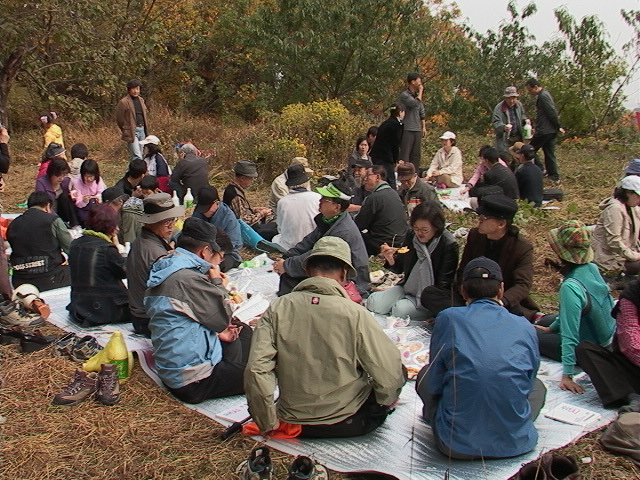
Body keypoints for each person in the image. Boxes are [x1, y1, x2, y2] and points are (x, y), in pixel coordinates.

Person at [245, 236, 405, 438]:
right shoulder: (354, 313)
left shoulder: (279, 307)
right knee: (398, 369)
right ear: (344, 273)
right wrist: (384, 401)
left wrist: (267, 421)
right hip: (348, 421)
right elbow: (387, 370)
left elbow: (257, 368)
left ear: (308, 270)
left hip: (293, 420)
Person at [417, 256, 545, 460]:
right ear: (501, 290)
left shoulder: (449, 318)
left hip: (456, 444)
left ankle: (441, 418)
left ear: (463, 291)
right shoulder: (524, 326)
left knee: (425, 375)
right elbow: (528, 379)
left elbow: (435, 379)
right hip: (516, 444)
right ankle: (513, 424)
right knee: (538, 387)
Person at [144, 217, 253, 403]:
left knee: (242, 331)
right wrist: (219, 284)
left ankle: (233, 366)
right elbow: (222, 316)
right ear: (205, 252)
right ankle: (233, 368)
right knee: (264, 373)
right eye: (219, 256)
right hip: (193, 381)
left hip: (174, 366)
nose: (220, 261)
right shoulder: (187, 279)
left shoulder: (169, 265)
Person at [421, 195, 539, 320]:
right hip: (471, 297)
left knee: (513, 312)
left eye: (485, 217)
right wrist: (466, 294)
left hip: (499, 301)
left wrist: (501, 301)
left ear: (501, 224)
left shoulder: (521, 247)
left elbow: (523, 285)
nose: (480, 220)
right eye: (480, 216)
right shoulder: (475, 235)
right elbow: (463, 270)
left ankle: (467, 319)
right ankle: (476, 318)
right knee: (430, 294)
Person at [535, 220, 615, 394]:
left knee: (532, 333)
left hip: (592, 349)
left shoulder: (570, 287)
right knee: (547, 320)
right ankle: (548, 328)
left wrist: (567, 376)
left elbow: (570, 335)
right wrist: (551, 329)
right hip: (608, 337)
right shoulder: (592, 268)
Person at [273, 179, 370, 296]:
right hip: (328, 267)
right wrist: (286, 257)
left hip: (349, 280)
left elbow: (317, 257)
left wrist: (287, 266)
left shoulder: (342, 231)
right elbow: (307, 243)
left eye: (325, 199)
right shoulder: (328, 220)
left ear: (337, 207)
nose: (320, 201)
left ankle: (291, 307)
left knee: (290, 277)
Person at [366, 201, 458, 321]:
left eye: (425, 230)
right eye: (416, 228)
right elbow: (401, 267)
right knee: (374, 303)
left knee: (399, 311)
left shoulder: (448, 244)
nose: (419, 233)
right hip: (407, 287)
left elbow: (444, 284)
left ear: (436, 227)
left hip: (427, 296)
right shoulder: (412, 236)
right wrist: (390, 258)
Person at [127, 193, 185, 337]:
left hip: (140, 315)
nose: (171, 226)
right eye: (166, 222)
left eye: (173, 220)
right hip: (149, 320)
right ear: (151, 222)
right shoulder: (156, 253)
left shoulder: (142, 241)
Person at [576, 279, 640, 408]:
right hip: (634, 365)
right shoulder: (633, 296)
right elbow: (630, 340)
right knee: (586, 349)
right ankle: (630, 396)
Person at [67, 204, 130, 327]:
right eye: (115, 225)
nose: (117, 229)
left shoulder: (75, 243)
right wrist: (117, 246)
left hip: (78, 307)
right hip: (103, 309)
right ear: (109, 226)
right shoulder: (106, 248)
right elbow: (125, 271)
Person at [7, 191, 71, 292]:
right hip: (50, 278)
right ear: (48, 206)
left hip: (20, 282)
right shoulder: (53, 220)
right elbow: (71, 248)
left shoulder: (13, 224)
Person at [591, 176, 640, 276]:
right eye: (638, 196)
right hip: (610, 259)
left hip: (624, 256)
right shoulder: (614, 209)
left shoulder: (633, 208)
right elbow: (614, 241)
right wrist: (634, 256)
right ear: (628, 193)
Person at [354, 165, 407, 256]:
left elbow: (358, 225)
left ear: (377, 177)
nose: (364, 179)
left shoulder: (374, 198)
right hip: (400, 241)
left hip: (382, 243)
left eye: (367, 176)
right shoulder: (394, 193)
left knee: (349, 234)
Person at [223, 160, 277, 241]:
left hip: (251, 228)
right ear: (242, 178)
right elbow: (243, 221)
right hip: (247, 232)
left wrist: (255, 210)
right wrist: (261, 214)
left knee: (277, 225)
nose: (252, 181)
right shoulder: (235, 195)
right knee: (278, 230)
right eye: (251, 179)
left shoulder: (234, 189)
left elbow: (241, 210)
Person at [192, 186, 242, 272]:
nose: (204, 212)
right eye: (202, 209)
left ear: (217, 203)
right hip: (201, 252)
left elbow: (232, 244)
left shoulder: (228, 217)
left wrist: (212, 255)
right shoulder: (199, 213)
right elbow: (190, 229)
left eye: (207, 208)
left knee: (213, 268)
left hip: (224, 254)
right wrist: (175, 241)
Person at [273, 164, 321, 250]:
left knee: (276, 237)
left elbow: (280, 228)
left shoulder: (282, 202)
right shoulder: (317, 197)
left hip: (288, 247)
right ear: (306, 182)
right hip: (311, 245)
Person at [525, 78, 562, 183]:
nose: (530, 92)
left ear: (536, 87)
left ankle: (541, 169)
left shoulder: (543, 96)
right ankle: (553, 176)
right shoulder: (543, 95)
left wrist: (558, 125)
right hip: (550, 130)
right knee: (549, 153)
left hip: (545, 131)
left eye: (530, 90)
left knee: (530, 149)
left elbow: (551, 112)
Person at [369, 103, 405, 189]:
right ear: (400, 112)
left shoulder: (385, 123)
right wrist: (396, 159)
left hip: (378, 155)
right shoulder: (395, 125)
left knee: (380, 177)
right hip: (385, 156)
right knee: (390, 179)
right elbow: (395, 144)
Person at [35, 157, 78, 226]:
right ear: (51, 173)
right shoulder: (41, 183)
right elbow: (42, 204)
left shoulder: (66, 182)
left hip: (63, 214)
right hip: (48, 214)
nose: (61, 178)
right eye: (58, 175)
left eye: (63, 175)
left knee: (65, 197)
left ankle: (75, 225)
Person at [397, 72, 426, 169]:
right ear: (413, 82)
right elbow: (415, 104)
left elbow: (421, 111)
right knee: (405, 154)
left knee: (416, 155)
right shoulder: (405, 95)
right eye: (418, 80)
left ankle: (414, 175)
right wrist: (421, 92)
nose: (420, 82)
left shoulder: (417, 96)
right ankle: (403, 175)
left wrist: (424, 126)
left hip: (417, 128)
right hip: (407, 128)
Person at [115, 79, 149, 162]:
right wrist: (125, 129)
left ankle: (132, 173)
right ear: (129, 90)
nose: (136, 91)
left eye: (137, 89)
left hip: (142, 129)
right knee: (137, 155)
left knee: (139, 155)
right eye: (134, 89)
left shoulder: (141, 100)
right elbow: (119, 119)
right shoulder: (124, 102)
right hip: (131, 131)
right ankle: (139, 173)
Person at [492, 86, 528, 154]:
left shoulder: (519, 105)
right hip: (505, 139)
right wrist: (503, 127)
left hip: (518, 137)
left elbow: (522, 115)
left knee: (519, 157)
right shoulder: (499, 108)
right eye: (509, 98)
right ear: (505, 98)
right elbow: (496, 122)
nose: (511, 101)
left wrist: (525, 120)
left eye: (513, 98)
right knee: (506, 158)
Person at [71, 159, 106, 226]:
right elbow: (78, 203)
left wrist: (98, 198)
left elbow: (101, 192)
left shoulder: (98, 180)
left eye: (91, 177)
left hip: (96, 205)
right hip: (83, 208)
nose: (88, 179)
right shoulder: (77, 182)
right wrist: (84, 200)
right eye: (86, 176)